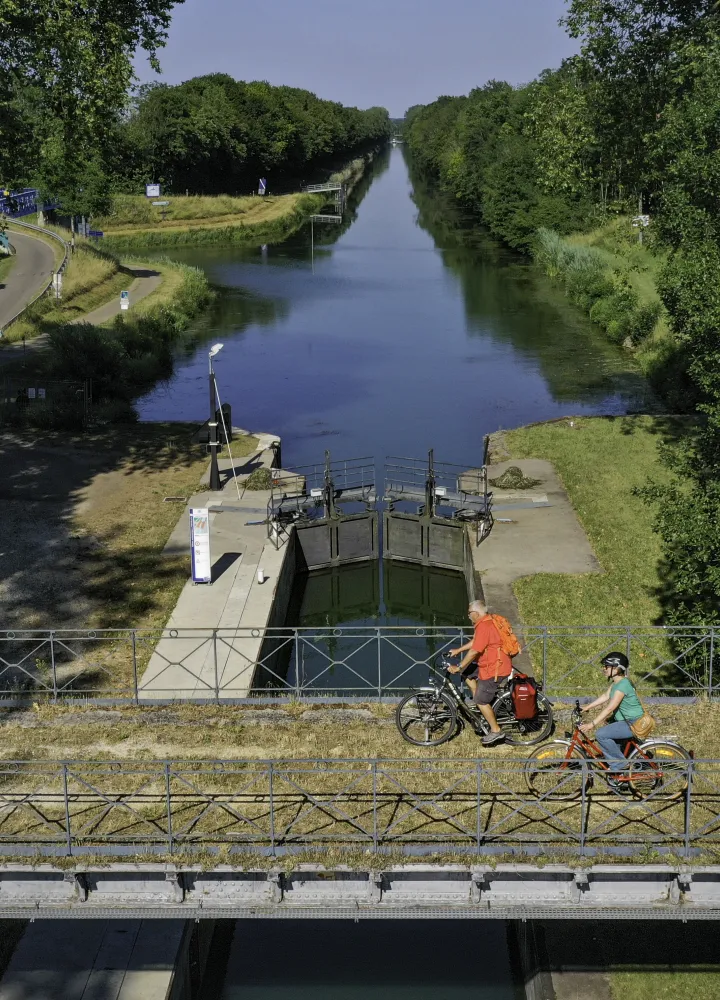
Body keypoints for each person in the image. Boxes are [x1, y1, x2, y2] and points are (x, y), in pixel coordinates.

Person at [448, 600, 512, 746]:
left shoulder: (484, 625)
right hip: (491, 663)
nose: (468, 615)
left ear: (476, 613)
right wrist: (459, 650)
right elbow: (477, 642)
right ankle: (483, 703)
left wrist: (458, 666)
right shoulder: (488, 621)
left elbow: (475, 651)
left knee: (480, 700)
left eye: (469, 613)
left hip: (495, 667)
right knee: (467, 672)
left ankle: (496, 731)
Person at [580, 652, 644, 788]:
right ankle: (621, 775)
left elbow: (610, 708)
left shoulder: (622, 685)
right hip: (626, 721)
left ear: (616, 668)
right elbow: (605, 696)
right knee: (609, 731)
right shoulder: (617, 683)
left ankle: (619, 764)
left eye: (607, 666)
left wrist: (592, 724)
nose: (604, 669)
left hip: (633, 723)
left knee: (601, 735)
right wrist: (587, 707)